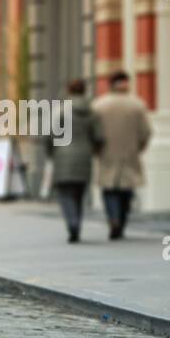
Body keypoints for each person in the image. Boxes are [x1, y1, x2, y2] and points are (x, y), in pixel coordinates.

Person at [91, 70, 152, 240]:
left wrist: (96, 149)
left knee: (109, 189)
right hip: (129, 153)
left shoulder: (99, 105)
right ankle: (121, 220)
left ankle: (113, 218)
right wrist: (139, 147)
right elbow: (145, 132)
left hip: (107, 153)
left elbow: (93, 132)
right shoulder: (137, 105)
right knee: (126, 191)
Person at [48, 79, 104, 243]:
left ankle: (72, 223)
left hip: (62, 155)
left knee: (65, 194)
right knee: (79, 194)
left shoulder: (60, 111)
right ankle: (77, 223)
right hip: (84, 156)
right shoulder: (92, 112)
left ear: (68, 91)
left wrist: (51, 152)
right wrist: (93, 150)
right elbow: (99, 136)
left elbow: (49, 135)